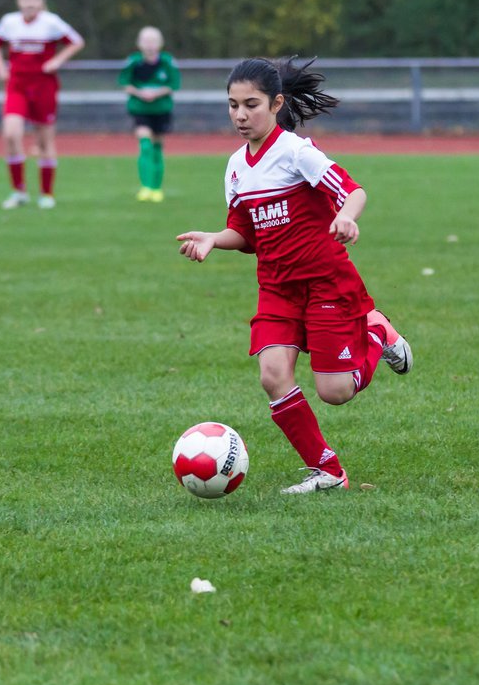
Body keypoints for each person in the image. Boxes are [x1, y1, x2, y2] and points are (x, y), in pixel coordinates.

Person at [176, 57, 414, 494]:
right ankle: (329, 472)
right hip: (276, 287)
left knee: (335, 391)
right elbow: (245, 234)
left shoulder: (295, 151)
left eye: (251, 104)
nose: (241, 115)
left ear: (276, 103)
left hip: (325, 281)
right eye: (232, 106)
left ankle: (377, 333)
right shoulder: (234, 166)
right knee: (272, 374)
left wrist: (346, 218)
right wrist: (214, 238)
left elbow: (353, 190)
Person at [0, 0, 85, 209]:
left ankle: (46, 193)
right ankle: (19, 191)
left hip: (43, 86)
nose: (30, 4)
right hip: (17, 85)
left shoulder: (51, 22)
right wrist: (0, 67)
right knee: (11, 134)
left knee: (44, 140)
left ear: (41, 2)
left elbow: (76, 41)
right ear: (19, 1)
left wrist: (57, 61)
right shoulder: (9, 22)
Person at [118, 26, 181, 202]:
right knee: (145, 145)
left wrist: (156, 93)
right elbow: (124, 83)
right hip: (140, 110)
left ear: (160, 43)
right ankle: (145, 187)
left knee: (157, 148)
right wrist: (140, 93)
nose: (149, 45)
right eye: (146, 41)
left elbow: (174, 84)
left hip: (161, 110)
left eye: (153, 41)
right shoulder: (133, 62)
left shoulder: (167, 62)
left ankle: (156, 188)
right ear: (139, 43)